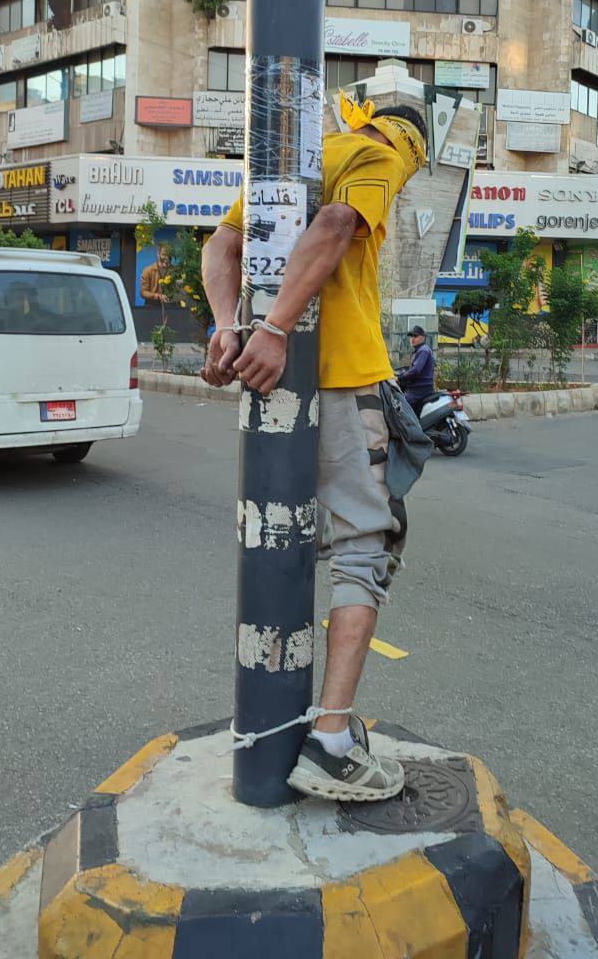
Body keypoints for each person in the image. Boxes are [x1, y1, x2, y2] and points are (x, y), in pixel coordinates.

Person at [200, 95, 428, 802]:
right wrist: (274, 325)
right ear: (412, 142)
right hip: (339, 376)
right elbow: (336, 223)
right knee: (370, 540)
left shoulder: (297, 161)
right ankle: (330, 739)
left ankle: (302, 719)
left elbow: (221, 243)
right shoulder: (380, 154)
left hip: (267, 378)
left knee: (289, 530)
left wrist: (229, 326)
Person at [399, 325, 435, 412]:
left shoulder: (423, 350)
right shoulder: (419, 350)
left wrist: (400, 377)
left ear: (423, 337)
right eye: (411, 336)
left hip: (420, 390)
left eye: (415, 336)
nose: (412, 339)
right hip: (419, 388)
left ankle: (410, 425)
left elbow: (415, 371)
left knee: (402, 406)